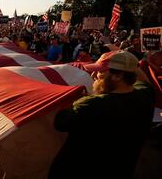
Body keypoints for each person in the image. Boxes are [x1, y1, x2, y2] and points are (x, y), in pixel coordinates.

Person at [49, 50, 155, 179]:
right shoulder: (145, 97)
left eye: (100, 71)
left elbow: (59, 122)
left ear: (118, 76)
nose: (94, 75)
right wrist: (128, 60)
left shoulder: (91, 105)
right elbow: (144, 81)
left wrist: (71, 98)